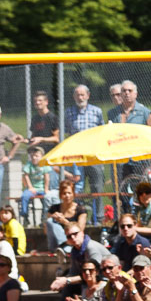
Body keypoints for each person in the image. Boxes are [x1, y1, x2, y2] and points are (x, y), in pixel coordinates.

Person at [45, 222, 109, 301]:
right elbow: (74, 273)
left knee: (70, 284)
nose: (73, 238)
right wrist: (62, 281)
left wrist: (67, 280)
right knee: (68, 288)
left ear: (82, 233)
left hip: (103, 281)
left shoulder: (91, 247)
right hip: (88, 280)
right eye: (69, 236)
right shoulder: (75, 251)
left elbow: (95, 274)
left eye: (75, 234)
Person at [64, 84, 107, 221]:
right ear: (74, 97)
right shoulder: (68, 112)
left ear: (88, 95)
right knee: (77, 187)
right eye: (77, 95)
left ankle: (99, 218)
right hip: (76, 157)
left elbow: (102, 132)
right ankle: (78, 216)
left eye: (82, 95)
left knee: (97, 186)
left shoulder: (97, 111)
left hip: (93, 155)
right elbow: (66, 132)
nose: (80, 97)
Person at [45, 179, 87, 251]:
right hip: (55, 245)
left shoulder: (80, 210)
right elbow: (46, 231)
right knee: (50, 221)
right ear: (60, 195)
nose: (67, 196)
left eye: (69, 193)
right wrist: (53, 217)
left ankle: (66, 246)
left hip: (74, 243)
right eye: (64, 193)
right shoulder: (54, 209)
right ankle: (63, 245)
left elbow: (80, 230)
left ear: (73, 194)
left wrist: (64, 222)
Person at [20, 144, 52, 222]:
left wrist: (46, 189)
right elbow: (26, 176)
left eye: (36, 156)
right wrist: (30, 187)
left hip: (42, 188)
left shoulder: (44, 165)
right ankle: (25, 215)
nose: (34, 158)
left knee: (47, 198)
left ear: (41, 156)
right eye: (32, 156)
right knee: (24, 196)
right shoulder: (29, 165)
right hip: (32, 189)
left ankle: (44, 217)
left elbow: (47, 178)